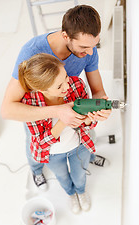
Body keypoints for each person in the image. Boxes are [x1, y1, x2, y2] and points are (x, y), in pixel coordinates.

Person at [1, 5, 111, 190]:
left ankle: (88, 156)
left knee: (82, 135)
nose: (90, 53)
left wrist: (102, 107)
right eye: (84, 47)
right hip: (38, 113)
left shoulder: (88, 49)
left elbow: (98, 90)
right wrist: (57, 112)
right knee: (35, 147)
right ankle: (36, 171)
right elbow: (7, 109)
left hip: (68, 108)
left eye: (94, 45)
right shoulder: (32, 53)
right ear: (65, 36)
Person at [19, 53, 99, 213]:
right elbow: (41, 142)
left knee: (80, 175)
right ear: (41, 89)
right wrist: (63, 119)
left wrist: (90, 119)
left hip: (79, 145)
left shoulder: (76, 84)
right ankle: (70, 194)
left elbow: (90, 124)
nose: (67, 87)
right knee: (63, 177)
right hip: (53, 154)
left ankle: (81, 192)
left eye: (66, 77)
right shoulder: (30, 104)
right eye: (59, 87)